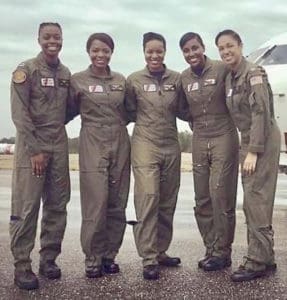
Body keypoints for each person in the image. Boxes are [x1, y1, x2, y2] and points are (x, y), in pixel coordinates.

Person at [215, 29, 281, 282]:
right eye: (221, 48)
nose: (226, 51)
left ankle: (256, 262)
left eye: (230, 45)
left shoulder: (253, 73)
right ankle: (266, 256)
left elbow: (260, 113)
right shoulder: (231, 78)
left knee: (255, 200)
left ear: (241, 45)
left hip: (261, 139)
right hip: (248, 138)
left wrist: (254, 150)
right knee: (256, 199)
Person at [10, 22, 71, 290]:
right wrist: (34, 149)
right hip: (31, 147)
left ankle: (49, 259)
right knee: (27, 207)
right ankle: (22, 265)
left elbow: (68, 110)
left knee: (57, 205)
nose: (52, 41)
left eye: (56, 37)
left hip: (58, 144)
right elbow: (19, 113)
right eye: (47, 37)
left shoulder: (66, 73)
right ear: (38, 39)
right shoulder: (26, 71)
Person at [67, 33, 130, 278]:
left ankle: (108, 256)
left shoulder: (121, 81)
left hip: (119, 140)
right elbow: (67, 111)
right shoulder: (77, 80)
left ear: (111, 52)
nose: (100, 55)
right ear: (88, 52)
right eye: (95, 50)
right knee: (96, 202)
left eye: (105, 50)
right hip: (92, 140)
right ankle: (92, 258)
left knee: (117, 202)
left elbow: (131, 110)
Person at [126, 32, 188, 280]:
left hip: (171, 144)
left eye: (159, 51)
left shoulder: (177, 79)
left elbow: (184, 108)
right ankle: (148, 257)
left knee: (167, 200)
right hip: (145, 143)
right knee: (148, 198)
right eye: (150, 51)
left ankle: (161, 250)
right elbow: (128, 111)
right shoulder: (134, 80)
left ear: (164, 51)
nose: (154, 55)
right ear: (144, 52)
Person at [179, 32, 239, 272]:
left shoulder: (222, 69)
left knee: (220, 194)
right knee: (202, 197)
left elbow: (236, 97)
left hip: (223, 135)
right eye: (186, 50)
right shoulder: (184, 78)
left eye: (195, 48)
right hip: (200, 138)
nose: (192, 53)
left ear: (203, 48)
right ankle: (211, 247)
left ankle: (223, 251)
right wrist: (194, 121)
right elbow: (182, 108)